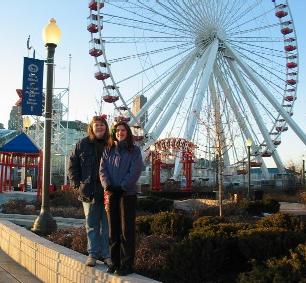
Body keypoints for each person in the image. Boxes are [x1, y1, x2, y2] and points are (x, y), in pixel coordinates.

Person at [99, 121, 143, 276]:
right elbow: (102, 170)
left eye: (123, 130)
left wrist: (122, 186)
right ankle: (114, 262)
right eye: (117, 130)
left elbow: (135, 171)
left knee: (126, 231)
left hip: (127, 195)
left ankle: (127, 264)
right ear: (114, 133)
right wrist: (108, 186)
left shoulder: (135, 151)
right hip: (112, 194)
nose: (120, 132)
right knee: (113, 230)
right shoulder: (108, 150)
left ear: (128, 133)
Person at [68, 115, 111, 267]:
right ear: (92, 128)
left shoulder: (111, 144)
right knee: (91, 225)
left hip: (108, 192)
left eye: (102, 125)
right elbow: (73, 165)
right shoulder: (82, 144)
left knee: (107, 226)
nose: (99, 127)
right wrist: (77, 184)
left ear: (106, 127)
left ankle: (107, 255)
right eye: (96, 125)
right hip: (89, 191)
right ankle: (92, 255)